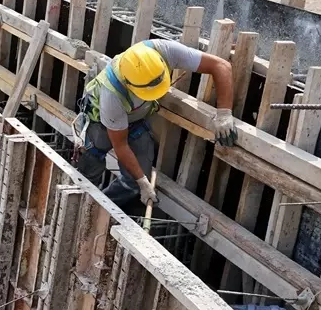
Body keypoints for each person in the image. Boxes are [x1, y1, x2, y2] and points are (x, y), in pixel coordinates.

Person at [75, 40, 238, 213]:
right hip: (100, 122)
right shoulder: (112, 96)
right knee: (88, 170)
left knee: (134, 182)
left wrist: (224, 113)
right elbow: (120, 145)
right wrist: (143, 182)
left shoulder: (163, 50)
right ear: (129, 83)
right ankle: (82, 209)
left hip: (136, 120)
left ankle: (103, 212)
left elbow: (221, 65)